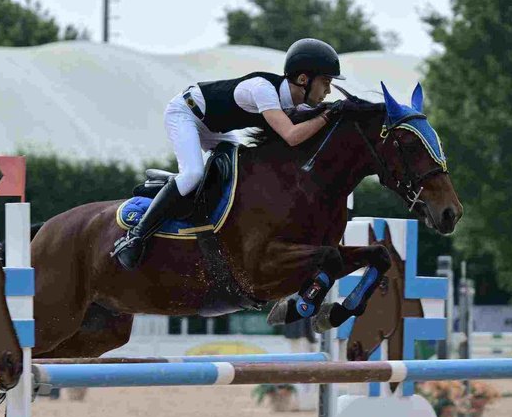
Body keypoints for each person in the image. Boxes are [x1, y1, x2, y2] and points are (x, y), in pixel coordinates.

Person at [111, 37, 346, 270]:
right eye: (326, 82)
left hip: (214, 128)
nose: (328, 90)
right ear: (303, 79)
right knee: (193, 174)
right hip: (186, 113)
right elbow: (292, 136)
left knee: (242, 170)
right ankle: (135, 237)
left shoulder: (295, 101)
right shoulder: (263, 90)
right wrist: (328, 115)